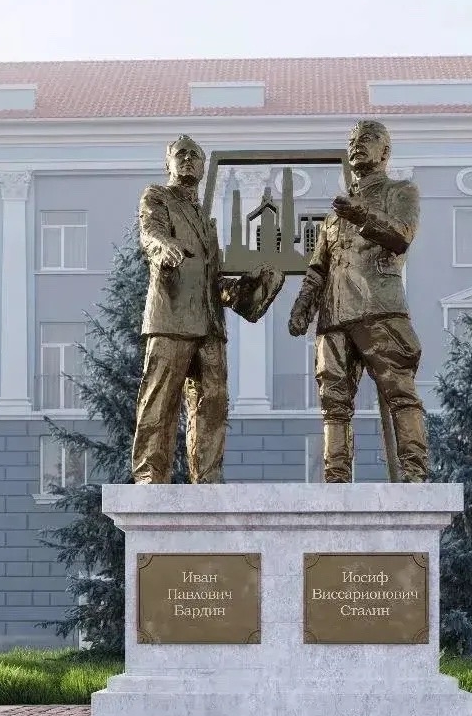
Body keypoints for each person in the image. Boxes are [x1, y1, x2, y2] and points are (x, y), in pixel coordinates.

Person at [131, 135, 282, 484]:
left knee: (213, 402)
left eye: (194, 156)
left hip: (210, 323)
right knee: (160, 398)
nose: (187, 160)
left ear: (203, 167)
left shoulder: (204, 219)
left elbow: (213, 281)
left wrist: (251, 286)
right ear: (168, 163)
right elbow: (150, 232)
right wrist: (164, 247)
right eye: (181, 154)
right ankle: (150, 475)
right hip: (171, 316)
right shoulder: (157, 196)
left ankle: (208, 477)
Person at [287, 119, 428, 482]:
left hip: (379, 309)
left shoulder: (400, 191)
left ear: (385, 151)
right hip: (334, 316)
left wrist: (362, 215)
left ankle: (414, 474)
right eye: (352, 140)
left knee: (400, 393)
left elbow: (402, 236)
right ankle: (336, 478)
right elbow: (318, 267)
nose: (356, 144)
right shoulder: (334, 214)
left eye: (367, 138)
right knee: (333, 402)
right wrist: (303, 305)